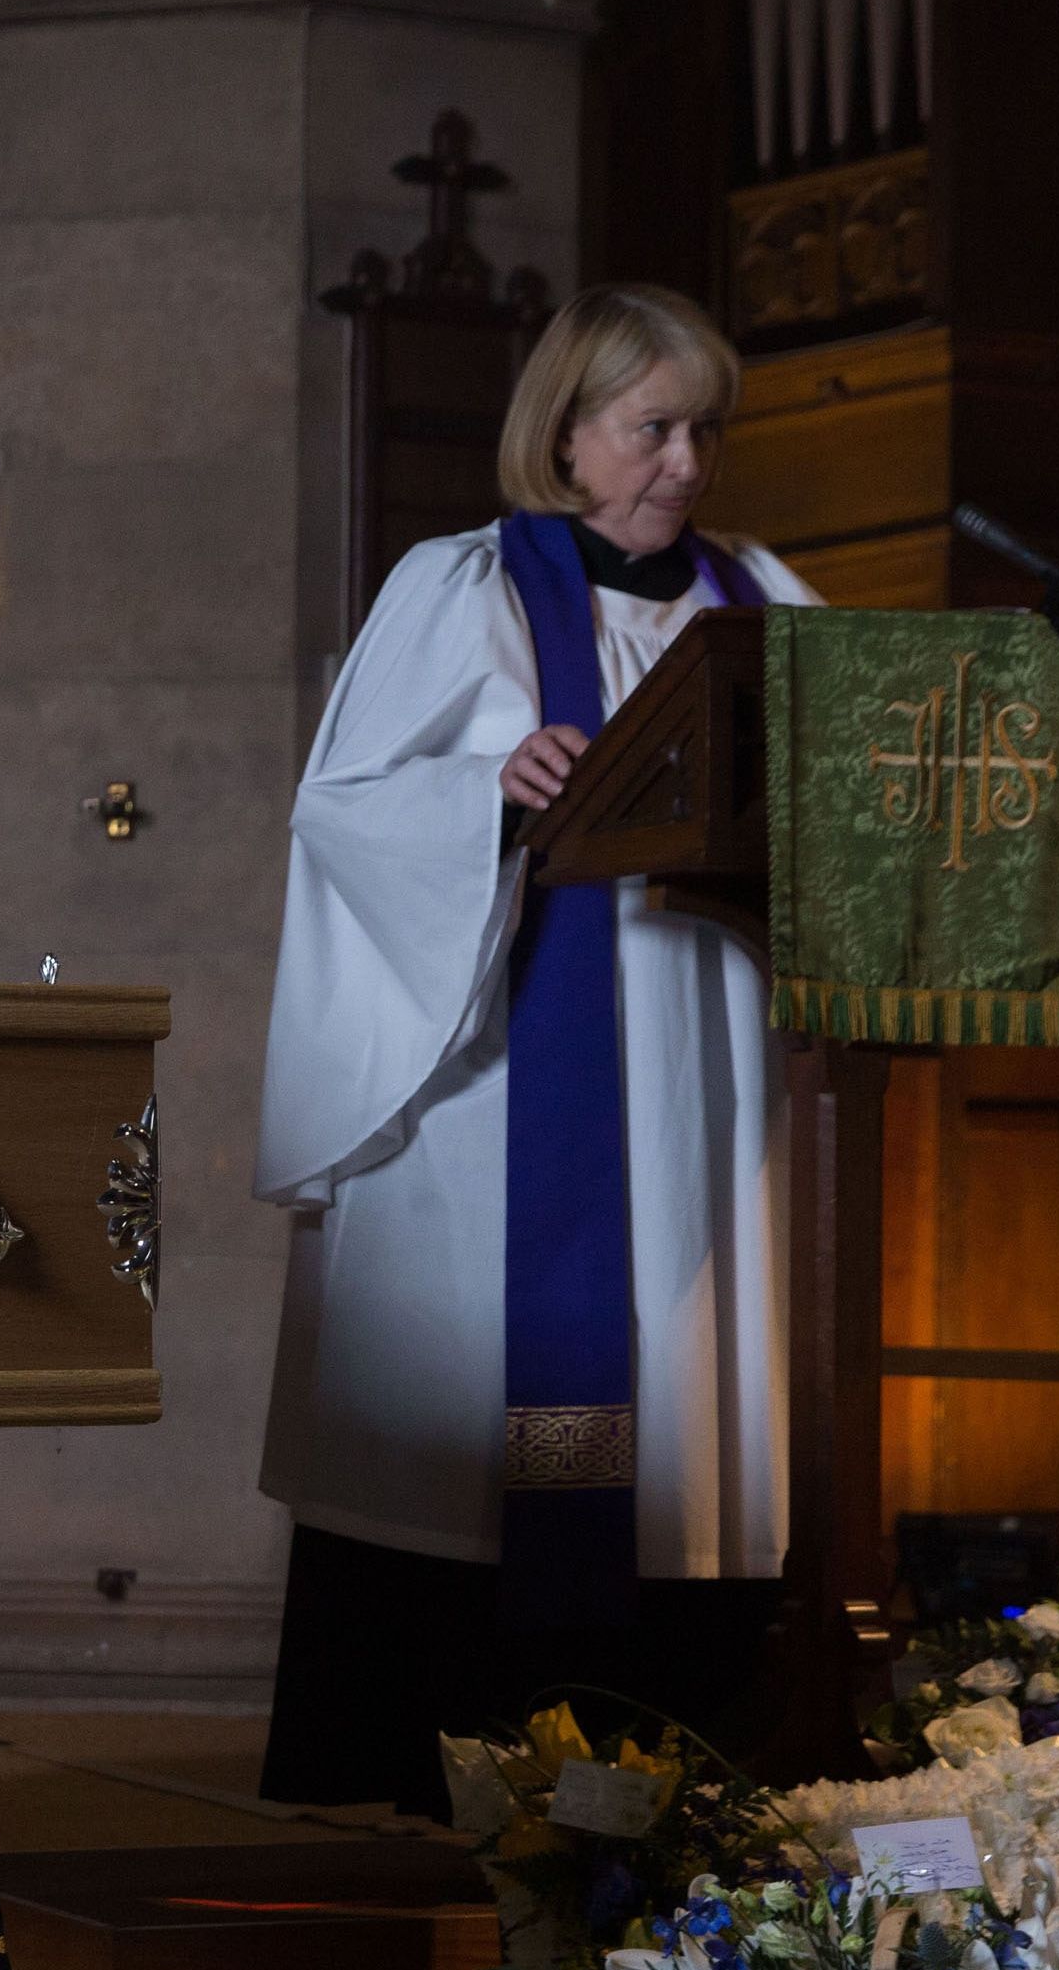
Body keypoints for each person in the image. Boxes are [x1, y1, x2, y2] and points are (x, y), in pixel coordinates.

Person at [249, 284, 823, 1810]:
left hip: (705, 1086)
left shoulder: (764, 597)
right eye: (653, 429)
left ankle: (669, 1773)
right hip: (509, 1091)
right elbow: (341, 811)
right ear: (565, 438)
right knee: (523, 1426)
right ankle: (448, 1781)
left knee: (676, 1408)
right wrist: (486, 789)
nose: (688, 464)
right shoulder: (462, 591)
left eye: (706, 429)